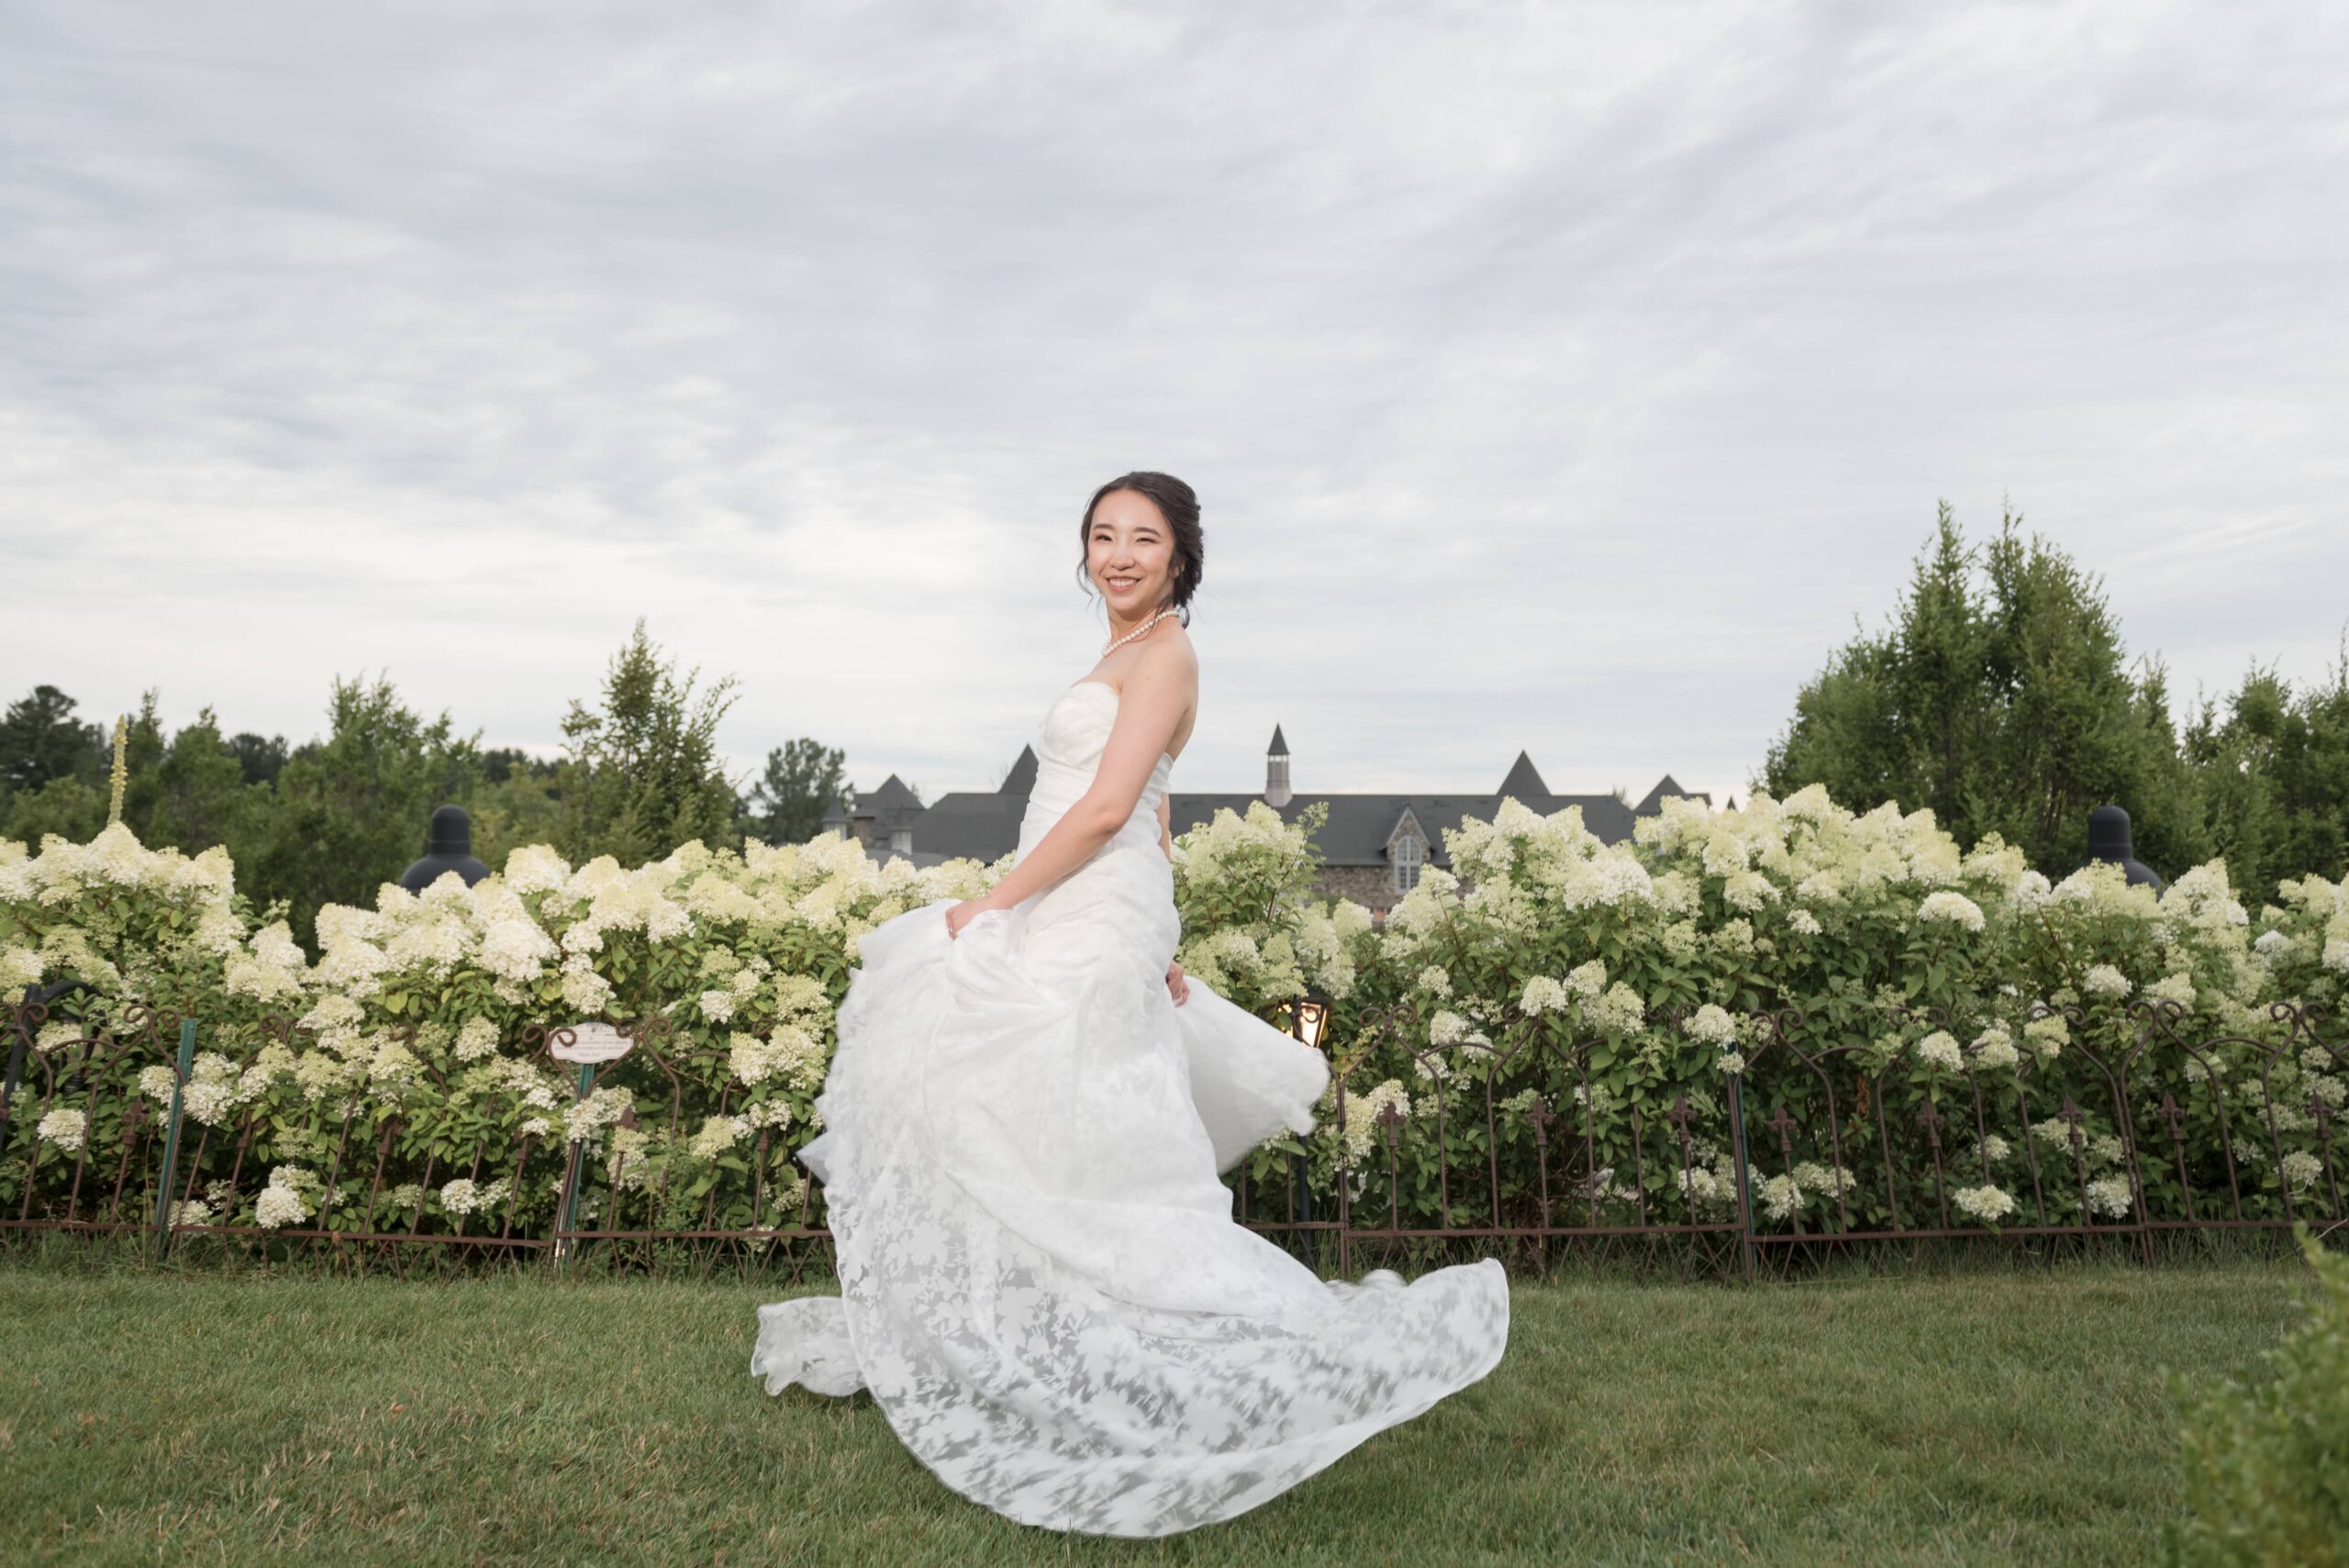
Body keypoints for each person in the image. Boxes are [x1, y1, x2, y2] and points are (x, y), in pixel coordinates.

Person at [751, 471, 1509, 1538]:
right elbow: (1147, 812)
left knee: (1045, 1091)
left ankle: (1155, 1323)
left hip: (1075, 896)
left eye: (1140, 539)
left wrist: (996, 904)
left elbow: (1108, 803)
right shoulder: (1113, 656)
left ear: (1179, 558)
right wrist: (1159, 931)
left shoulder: (1168, 653)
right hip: (1094, 894)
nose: (1117, 554)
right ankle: (1024, 1319)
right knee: (1009, 1094)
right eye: (1101, 536)